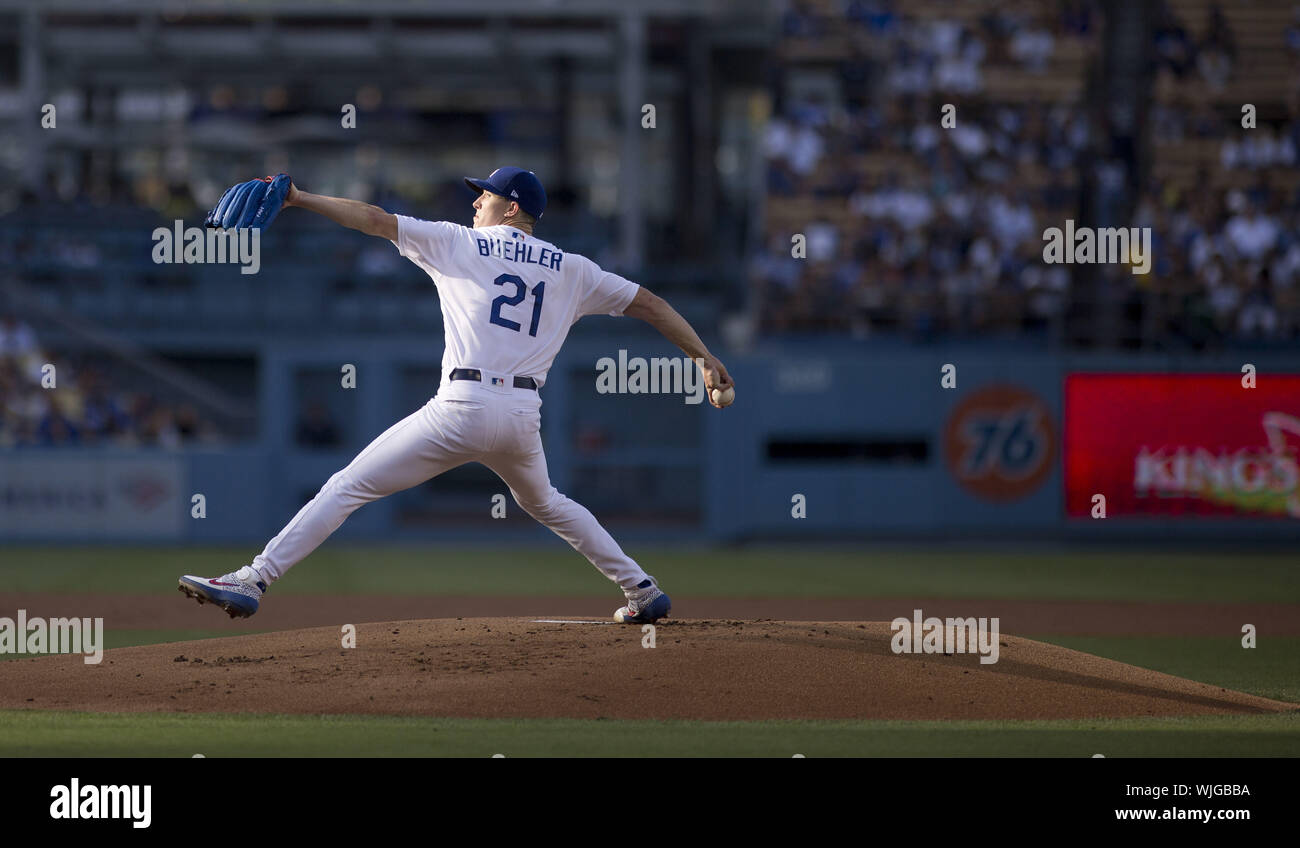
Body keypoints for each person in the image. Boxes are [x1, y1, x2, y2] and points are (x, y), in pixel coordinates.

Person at [179, 167, 735, 624]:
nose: (475, 204)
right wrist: (704, 360)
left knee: (347, 485)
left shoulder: (458, 242)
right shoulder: (574, 269)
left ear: (512, 208)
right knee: (546, 503)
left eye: (485, 196)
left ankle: (254, 579)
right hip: (521, 416)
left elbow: (373, 219)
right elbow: (653, 305)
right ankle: (640, 588)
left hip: (462, 407)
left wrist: (298, 196)